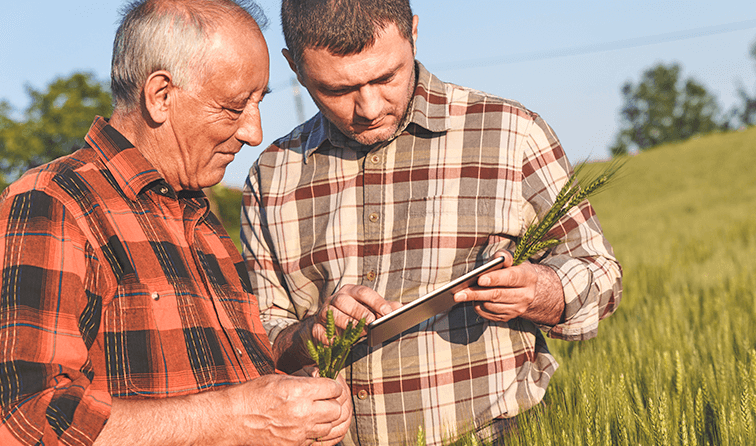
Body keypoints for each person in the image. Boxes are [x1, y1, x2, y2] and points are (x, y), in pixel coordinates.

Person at [0, 1, 352, 445]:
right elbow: (23, 423)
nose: (254, 132)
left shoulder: (197, 217)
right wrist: (237, 419)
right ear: (160, 95)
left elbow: (232, 382)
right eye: (233, 106)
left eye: (260, 101)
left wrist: (304, 346)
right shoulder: (46, 208)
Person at [240, 0, 623, 445]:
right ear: (295, 67)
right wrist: (313, 332)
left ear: (414, 34)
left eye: (386, 77)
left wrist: (542, 290)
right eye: (336, 89)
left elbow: (602, 274)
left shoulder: (510, 133)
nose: (367, 107)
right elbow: (258, 342)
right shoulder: (270, 176)